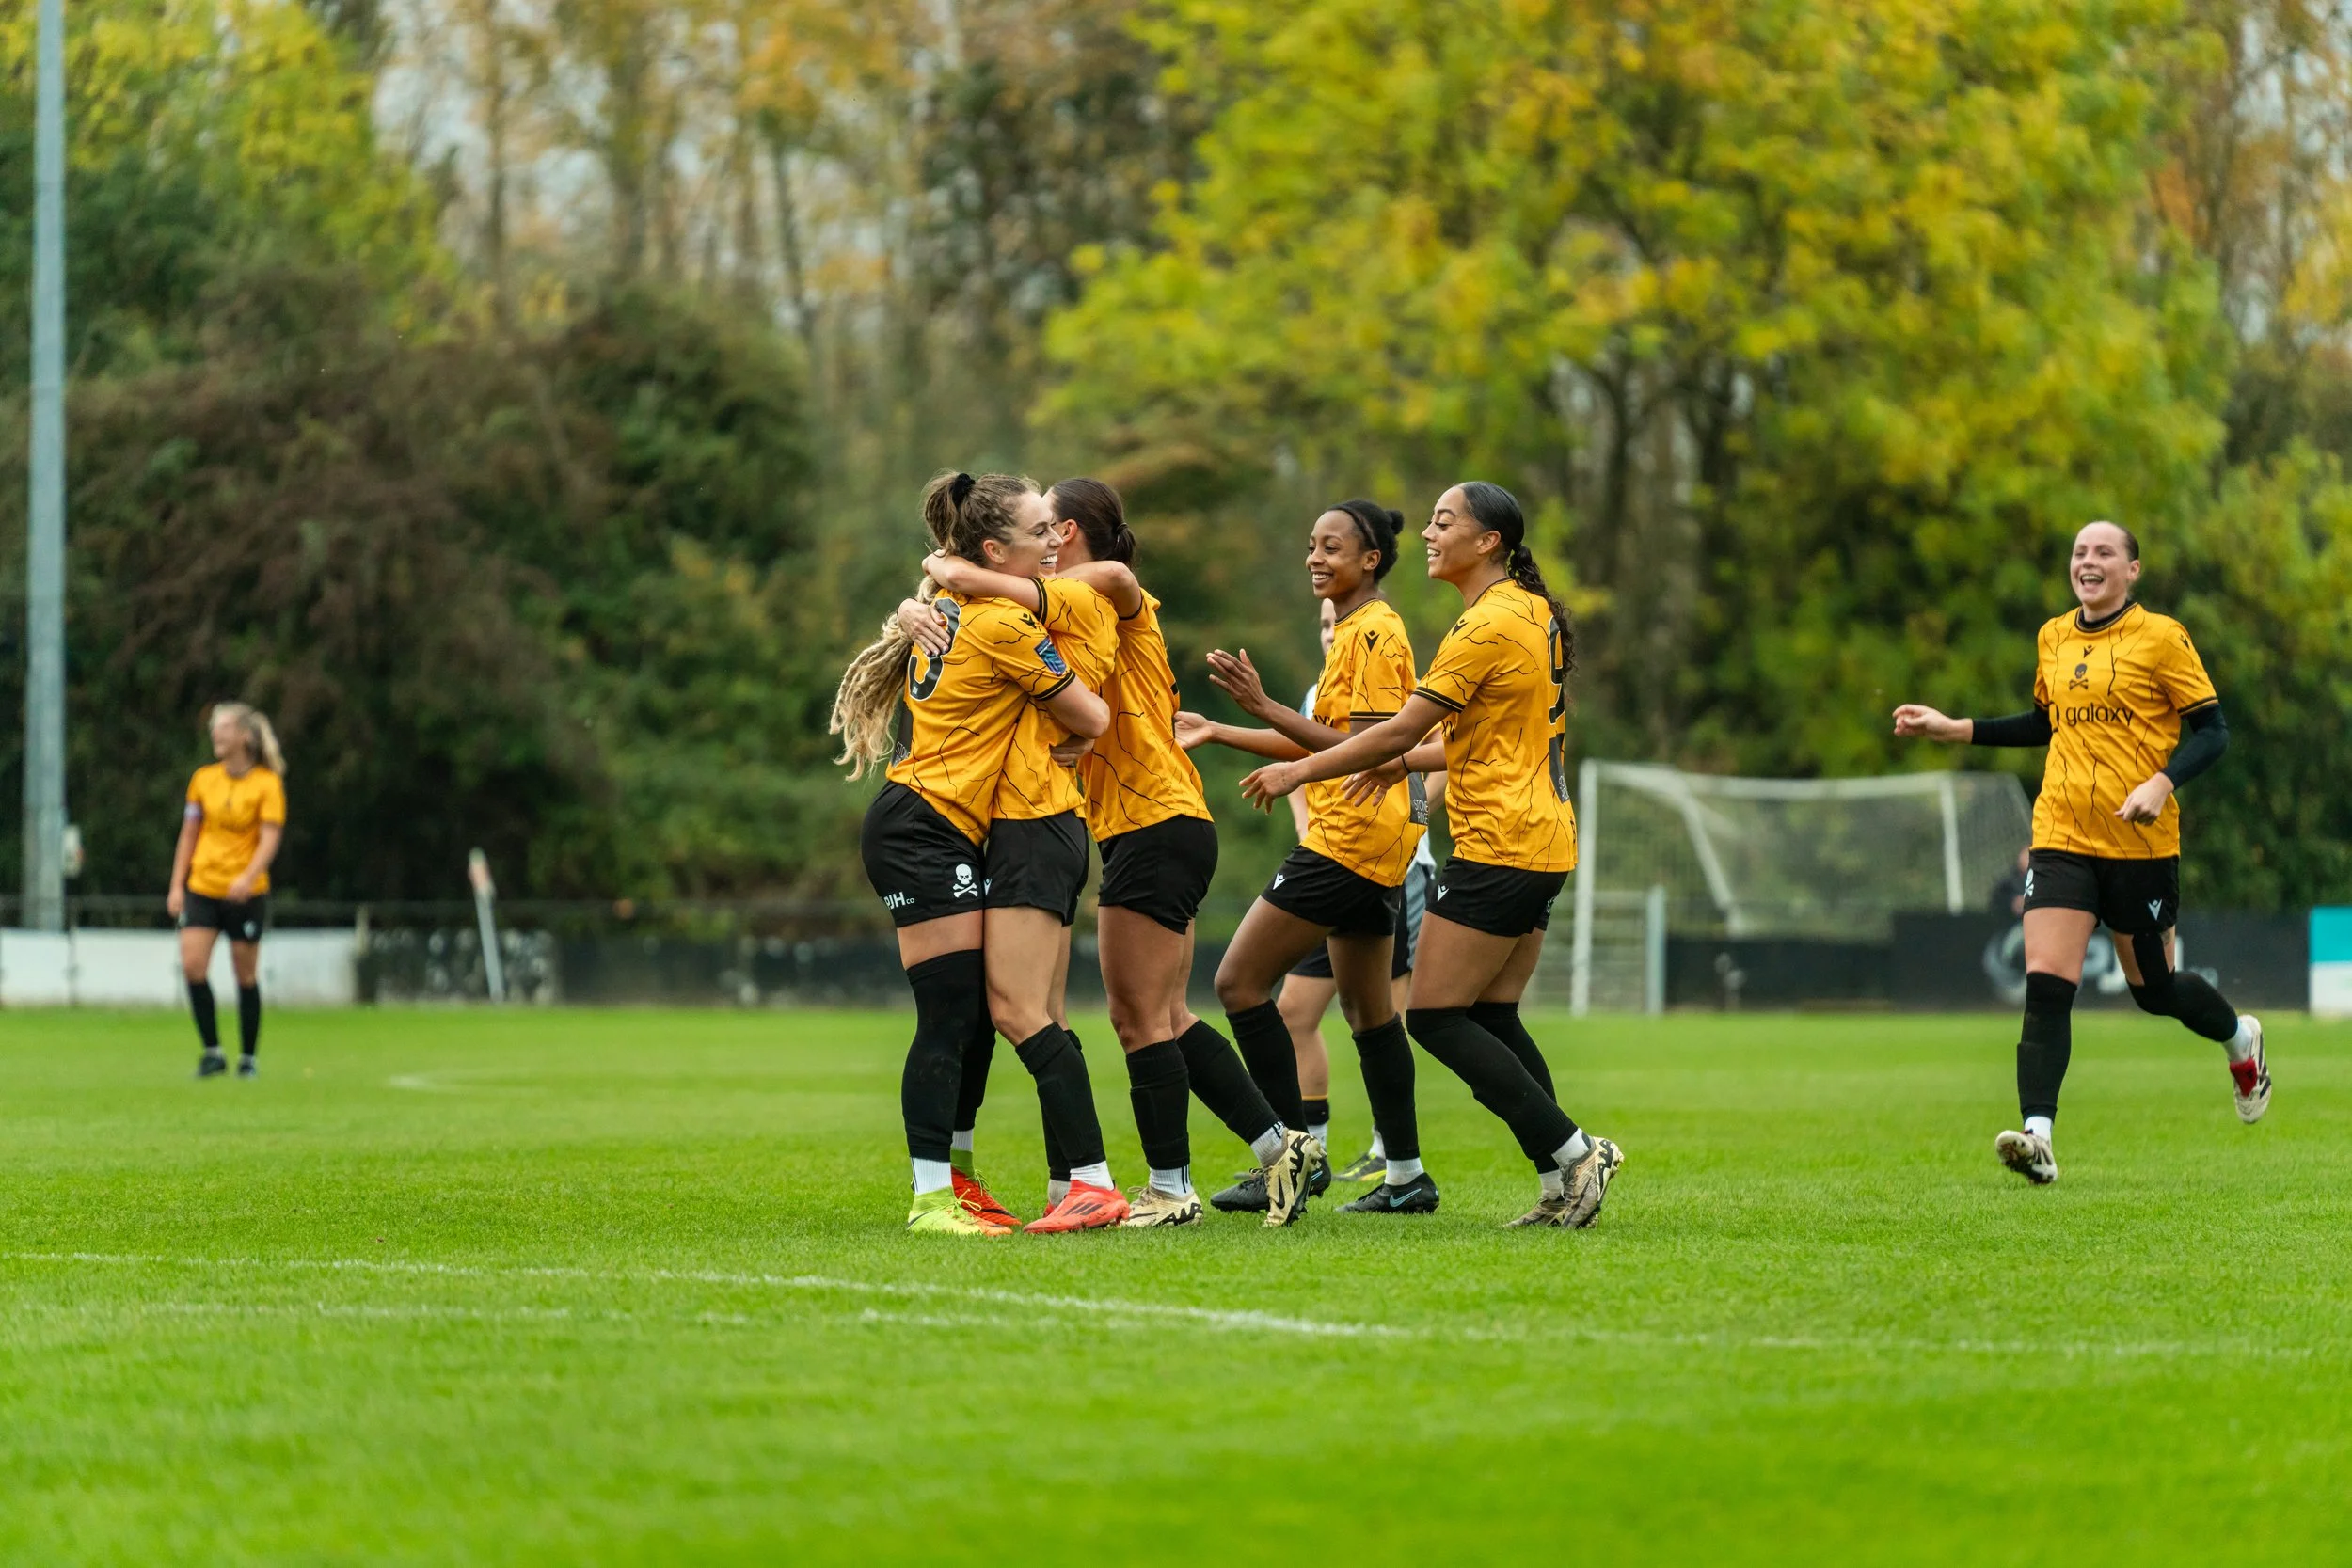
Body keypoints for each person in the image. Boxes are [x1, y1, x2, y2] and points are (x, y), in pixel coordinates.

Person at [906, 480, 1316, 1228]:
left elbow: (1107, 585)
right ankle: (1278, 1144)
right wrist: (925, 598)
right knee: (1164, 1012)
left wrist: (955, 576)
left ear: (1065, 533)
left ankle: (1168, 1187)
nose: (1044, 536)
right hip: (1159, 818)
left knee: (1137, 1017)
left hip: (1150, 819)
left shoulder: (1086, 592)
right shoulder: (1052, 598)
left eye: (1049, 521)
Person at [1238, 482, 1624, 1228]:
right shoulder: (1530, 612)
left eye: (1444, 522)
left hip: (1501, 841)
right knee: (1495, 1015)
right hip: (1544, 835)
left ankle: (1576, 1152)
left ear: (1489, 542)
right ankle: (1559, 1180)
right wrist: (1407, 765)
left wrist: (1299, 769)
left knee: (1438, 1016)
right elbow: (1478, 735)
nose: (1428, 532)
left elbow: (1393, 727)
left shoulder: (1483, 625)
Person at [1893, 518, 2268, 1185]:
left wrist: (2163, 780)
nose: (2088, 561)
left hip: (2139, 842)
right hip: (2062, 834)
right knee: (2046, 984)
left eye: (2104, 552)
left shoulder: (2162, 637)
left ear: (2133, 570)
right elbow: (2046, 722)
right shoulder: (2054, 636)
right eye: (2079, 552)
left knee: (2153, 991)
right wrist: (1960, 729)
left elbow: (2214, 730)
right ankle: (2038, 1138)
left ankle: (2240, 1038)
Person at [830, 470, 1113, 1235]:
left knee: (975, 1016)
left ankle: (955, 1180)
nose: (1055, 541)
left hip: (944, 823)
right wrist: (1087, 725)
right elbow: (1091, 712)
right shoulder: (999, 621)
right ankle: (932, 1197)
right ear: (994, 548)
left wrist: (933, 575)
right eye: (1039, 532)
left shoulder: (955, 601)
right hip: (921, 824)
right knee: (950, 1014)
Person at [1178, 499, 1431, 1218]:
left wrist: (1268, 718)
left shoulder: (1378, 631)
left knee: (1237, 982)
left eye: (1332, 546)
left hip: (1351, 837)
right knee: (1369, 1012)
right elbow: (1329, 736)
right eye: (1311, 546)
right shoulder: (1353, 630)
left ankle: (1292, 1154)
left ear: (1371, 559)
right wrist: (1226, 728)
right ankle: (1407, 1174)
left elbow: (1375, 746)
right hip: (1377, 842)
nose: (1315, 558)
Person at [1272, 598, 1445, 1184]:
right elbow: (1302, 756)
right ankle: (1311, 1152)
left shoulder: (1395, 678)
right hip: (1329, 861)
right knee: (1294, 1011)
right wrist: (1306, 830)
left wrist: (1408, 808)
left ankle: (1389, 1151)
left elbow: (1436, 758)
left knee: (1382, 1013)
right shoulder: (1317, 694)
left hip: (1395, 865)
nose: (1329, 632)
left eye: (1334, 621)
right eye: (1320, 624)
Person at [167, 703, 287, 1079]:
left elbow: (269, 839)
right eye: (214, 728)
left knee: (244, 974)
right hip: (203, 886)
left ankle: (248, 1058)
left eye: (224, 728)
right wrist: (176, 885)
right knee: (192, 965)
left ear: (245, 737)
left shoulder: (266, 784)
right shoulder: (203, 780)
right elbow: (189, 834)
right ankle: (213, 1051)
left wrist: (248, 877)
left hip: (245, 894)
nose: (216, 735)